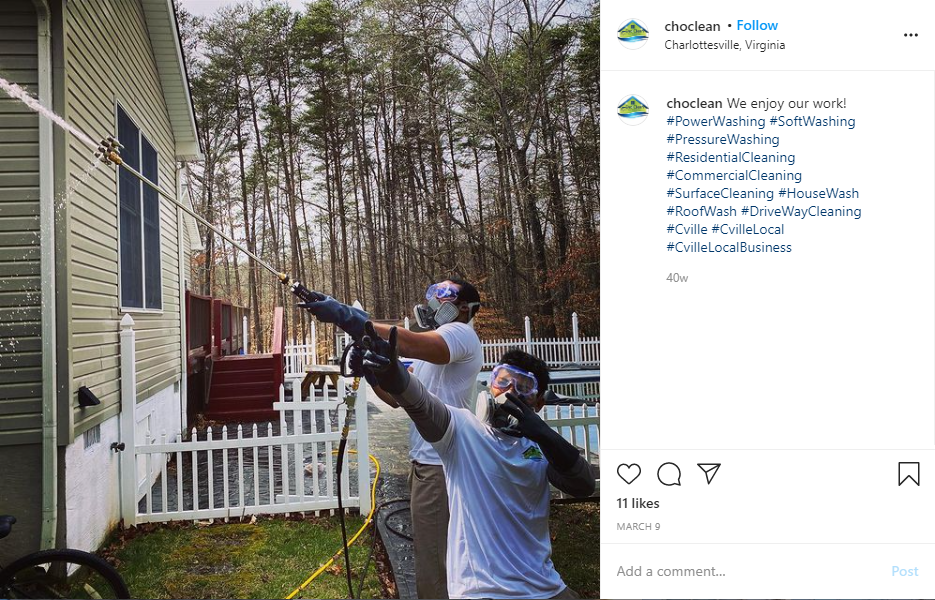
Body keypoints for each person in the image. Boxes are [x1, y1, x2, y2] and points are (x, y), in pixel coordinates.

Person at [354, 322, 595, 600]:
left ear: (539, 403)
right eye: (502, 380)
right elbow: (420, 402)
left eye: (523, 387)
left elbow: (583, 484)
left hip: (546, 588)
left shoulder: (541, 447)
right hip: (482, 590)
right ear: (490, 385)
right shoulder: (461, 431)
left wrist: (542, 433)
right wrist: (391, 373)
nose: (509, 392)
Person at [301, 279, 483, 599]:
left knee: (433, 563)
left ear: (465, 309)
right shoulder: (433, 350)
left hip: (440, 465)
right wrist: (373, 374)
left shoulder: (460, 334)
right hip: (427, 462)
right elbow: (397, 398)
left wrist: (346, 316)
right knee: (437, 553)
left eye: (446, 298)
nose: (434, 304)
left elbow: (405, 342)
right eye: (434, 296)